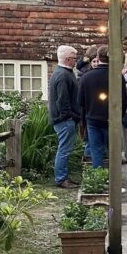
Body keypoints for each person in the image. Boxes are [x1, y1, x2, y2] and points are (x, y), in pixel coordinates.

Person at [78, 46, 125, 169]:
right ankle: (115, 181)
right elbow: (124, 101)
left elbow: (81, 102)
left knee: (96, 151)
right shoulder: (117, 77)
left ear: (98, 57)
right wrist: (120, 116)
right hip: (112, 119)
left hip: (93, 119)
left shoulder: (86, 77)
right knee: (114, 152)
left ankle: (99, 178)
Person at [48, 44, 80, 188]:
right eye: (74, 58)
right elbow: (63, 101)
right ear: (68, 59)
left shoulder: (63, 73)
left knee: (65, 149)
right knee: (64, 150)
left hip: (64, 118)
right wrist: (70, 116)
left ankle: (62, 176)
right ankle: (61, 178)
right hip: (64, 120)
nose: (76, 61)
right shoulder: (63, 75)